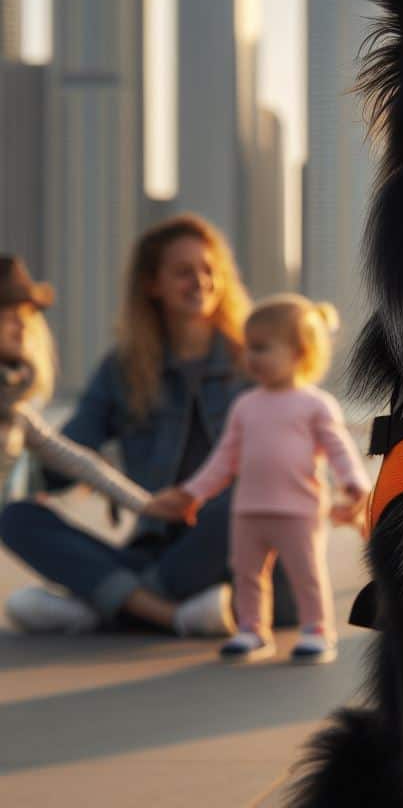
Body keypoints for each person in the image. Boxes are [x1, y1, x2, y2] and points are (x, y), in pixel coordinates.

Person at [0, 214, 296, 636]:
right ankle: (159, 606)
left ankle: (119, 606)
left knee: (249, 496)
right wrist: (13, 439)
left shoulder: (255, 362)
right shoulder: (123, 371)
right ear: (151, 284)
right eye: (182, 272)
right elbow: (64, 459)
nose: (200, 281)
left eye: (208, 270)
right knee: (16, 519)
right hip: (156, 555)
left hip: (245, 557)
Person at [146, 295, 371, 664]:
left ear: (300, 352)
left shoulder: (315, 404)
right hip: (248, 508)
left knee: (306, 573)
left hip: (299, 510)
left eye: (262, 348)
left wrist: (354, 482)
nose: (250, 358)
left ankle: (316, 630)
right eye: (248, 348)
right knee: (247, 573)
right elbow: (223, 460)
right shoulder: (246, 406)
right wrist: (193, 494)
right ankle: (251, 629)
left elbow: (339, 448)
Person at [0, 255, 152, 512]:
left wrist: (148, 505)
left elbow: (77, 462)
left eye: (26, 314)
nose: (22, 325)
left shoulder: (15, 410)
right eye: (8, 312)